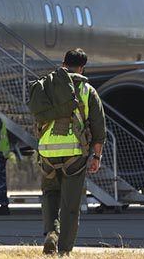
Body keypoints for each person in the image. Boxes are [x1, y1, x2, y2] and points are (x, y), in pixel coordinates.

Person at [38, 48, 106, 255]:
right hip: (74, 154)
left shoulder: (46, 86)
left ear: (63, 63)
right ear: (82, 68)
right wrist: (96, 155)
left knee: (50, 194)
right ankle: (64, 249)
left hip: (47, 151)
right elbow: (98, 128)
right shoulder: (86, 91)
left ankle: (51, 232)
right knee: (70, 203)